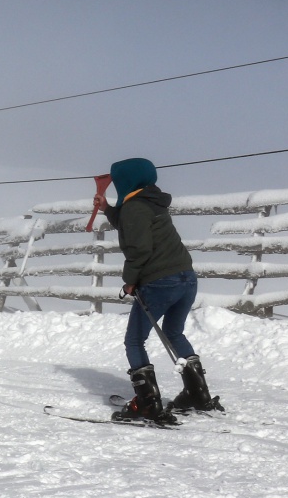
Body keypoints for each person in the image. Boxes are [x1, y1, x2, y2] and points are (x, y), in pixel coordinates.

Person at [94, 157, 222, 421]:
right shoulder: (151, 201)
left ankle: (148, 404)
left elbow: (139, 247)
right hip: (186, 278)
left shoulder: (134, 208)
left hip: (160, 281)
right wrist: (107, 208)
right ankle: (198, 394)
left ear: (126, 181)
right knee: (174, 333)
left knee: (134, 340)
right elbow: (132, 226)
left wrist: (130, 280)